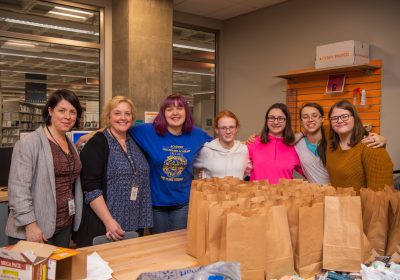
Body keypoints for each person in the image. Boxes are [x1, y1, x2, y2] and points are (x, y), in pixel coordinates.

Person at [6, 89, 83, 247]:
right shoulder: (30, 143)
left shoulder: (71, 144)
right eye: (62, 110)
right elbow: (18, 190)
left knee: (60, 272)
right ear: (50, 111)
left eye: (72, 112)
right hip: (35, 230)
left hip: (63, 226)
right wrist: (30, 225)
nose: (67, 117)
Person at [73, 96, 152, 247]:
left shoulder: (136, 140)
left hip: (134, 222)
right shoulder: (96, 143)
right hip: (104, 224)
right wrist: (109, 221)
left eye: (127, 114)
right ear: (108, 117)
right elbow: (90, 188)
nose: (123, 118)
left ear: (132, 117)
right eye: (117, 113)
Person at [130, 94, 212, 233]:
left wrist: (248, 143)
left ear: (186, 111)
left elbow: (221, 144)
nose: (175, 113)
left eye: (180, 108)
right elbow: (120, 128)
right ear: (163, 113)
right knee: (159, 245)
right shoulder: (148, 131)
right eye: (169, 109)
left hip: (183, 202)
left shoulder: (197, 135)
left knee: (178, 245)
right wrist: (92, 134)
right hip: (155, 203)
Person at [326, 99, 393, 191]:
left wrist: (384, 139)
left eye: (345, 116)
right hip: (337, 203)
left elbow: (381, 194)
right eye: (334, 118)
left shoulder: (371, 146)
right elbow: (312, 125)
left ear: (355, 118)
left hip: (361, 205)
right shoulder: (331, 142)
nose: (339, 120)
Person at [247, 103, 304, 183]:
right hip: (258, 194)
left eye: (280, 118)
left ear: (286, 121)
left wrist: (305, 133)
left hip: (284, 194)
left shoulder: (295, 147)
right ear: (266, 120)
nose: (276, 122)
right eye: (271, 118)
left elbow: (310, 173)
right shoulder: (253, 143)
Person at [194, 110, 249, 179]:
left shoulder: (244, 149)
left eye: (231, 127)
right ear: (216, 129)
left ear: (236, 129)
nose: (228, 132)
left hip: (237, 189)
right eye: (223, 128)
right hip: (212, 190)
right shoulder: (206, 150)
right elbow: (188, 165)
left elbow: (251, 172)